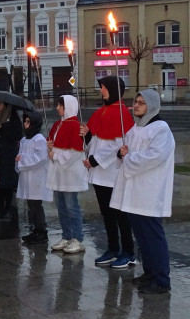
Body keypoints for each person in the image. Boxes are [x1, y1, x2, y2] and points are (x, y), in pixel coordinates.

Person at [110, 89, 175, 294]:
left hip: (149, 190)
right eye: (135, 102)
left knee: (153, 236)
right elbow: (125, 151)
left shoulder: (160, 129)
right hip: (133, 191)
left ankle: (162, 279)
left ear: (152, 106)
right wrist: (121, 154)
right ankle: (150, 272)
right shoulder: (134, 129)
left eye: (141, 103)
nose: (135, 106)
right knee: (142, 236)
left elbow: (154, 157)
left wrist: (128, 158)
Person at [80, 76, 136, 269]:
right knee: (106, 214)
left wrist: (94, 160)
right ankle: (113, 249)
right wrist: (87, 135)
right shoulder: (101, 111)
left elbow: (117, 143)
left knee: (119, 214)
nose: (101, 90)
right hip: (99, 173)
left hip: (112, 172)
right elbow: (97, 140)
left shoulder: (121, 113)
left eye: (103, 87)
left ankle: (128, 252)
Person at [45, 95, 88, 254]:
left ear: (68, 106)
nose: (57, 107)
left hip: (70, 173)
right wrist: (49, 146)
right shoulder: (58, 124)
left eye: (60, 105)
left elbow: (76, 153)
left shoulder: (75, 126)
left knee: (71, 206)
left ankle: (78, 238)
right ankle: (67, 236)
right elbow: (52, 144)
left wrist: (55, 156)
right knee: (61, 206)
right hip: (59, 173)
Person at [16, 111, 51, 246]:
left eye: (28, 122)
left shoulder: (39, 139)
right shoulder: (25, 139)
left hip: (36, 178)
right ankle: (36, 229)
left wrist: (22, 161)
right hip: (27, 177)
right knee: (31, 205)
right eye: (25, 121)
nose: (26, 124)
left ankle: (41, 231)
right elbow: (20, 155)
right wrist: (18, 160)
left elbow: (39, 158)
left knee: (36, 205)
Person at [0, 100, 21, 220]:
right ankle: (0, 208)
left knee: (7, 183)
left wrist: (3, 128)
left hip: (8, 154)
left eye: (0, 103)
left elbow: (17, 134)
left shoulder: (12, 118)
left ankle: (7, 208)